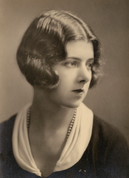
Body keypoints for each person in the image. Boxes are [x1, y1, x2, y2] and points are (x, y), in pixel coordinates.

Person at [0, 10, 129, 178]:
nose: (85, 76)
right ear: (39, 65)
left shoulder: (109, 144)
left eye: (89, 64)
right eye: (72, 63)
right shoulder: (3, 137)